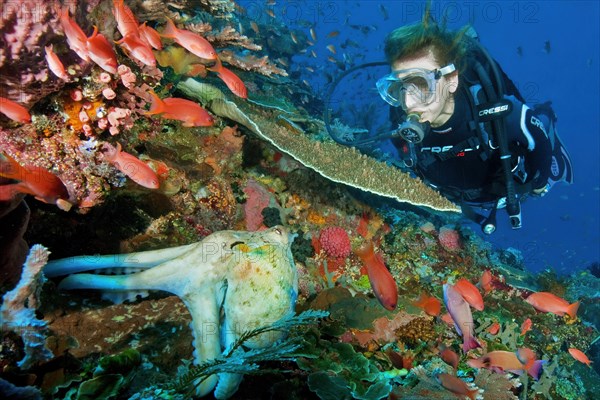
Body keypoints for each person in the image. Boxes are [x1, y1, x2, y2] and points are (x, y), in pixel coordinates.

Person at [376, 18, 573, 234]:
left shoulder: (492, 108)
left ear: (451, 80)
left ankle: (556, 151)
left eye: (422, 84)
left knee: (539, 186)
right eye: (399, 87)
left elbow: (537, 137)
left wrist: (539, 182)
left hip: (503, 189)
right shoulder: (399, 119)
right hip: (455, 196)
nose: (408, 103)